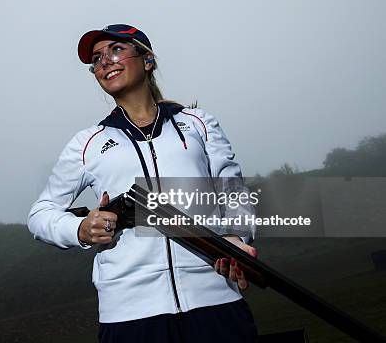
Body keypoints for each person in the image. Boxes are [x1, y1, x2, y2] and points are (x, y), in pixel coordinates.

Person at [28, 24, 259, 342]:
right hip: (130, 316)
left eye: (116, 50)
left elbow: (232, 191)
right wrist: (80, 229)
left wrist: (236, 235)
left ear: (147, 60)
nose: (104, 61)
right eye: (96, 59)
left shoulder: (198, 124)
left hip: (216, 301)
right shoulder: (88, 143)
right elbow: (41, 214)